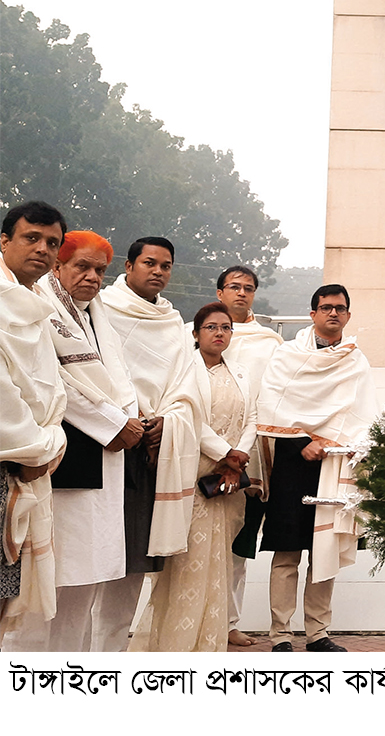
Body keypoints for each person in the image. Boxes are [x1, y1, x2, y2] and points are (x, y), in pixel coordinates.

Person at [5, 231, 144, 652]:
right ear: (58, 266)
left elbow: (117, 379)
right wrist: (113, 423)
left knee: (86, 581)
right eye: (81, 266)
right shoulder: (40, 309)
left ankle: (76, 673)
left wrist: (130, 419)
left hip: (106, 458)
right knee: (48, 582)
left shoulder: (95, 315)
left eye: (100, 270)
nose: (91, 277)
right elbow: (53, 381)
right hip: (61, 456)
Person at [131, 303, 260, 651]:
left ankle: (209, 645)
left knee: (221, 563)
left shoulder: (242, 374)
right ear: (196, 333)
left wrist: (238, 458)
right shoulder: (183, 371)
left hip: (228, 481)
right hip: (195, 475)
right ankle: (175, 646)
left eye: (226, 327)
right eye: (211, 327)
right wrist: (224, 453)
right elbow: (187, 419)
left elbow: (252, 419)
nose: (220, 333)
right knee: (190, 561)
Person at [257, 284, 378, 652]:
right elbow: (272, 405)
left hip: (335, 466)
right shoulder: (288, 356)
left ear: (348, 315)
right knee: (288, 553)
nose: (333, 314)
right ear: (312, 314)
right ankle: (280, 635)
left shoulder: (355, 360)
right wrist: (302, 443)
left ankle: (318, 634)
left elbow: (361, 415)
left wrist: (331, 443)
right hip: (293, 463)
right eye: (326, 307)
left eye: (340, 308)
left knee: (324, 549)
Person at [99, 237, 204, 650]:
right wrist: (122, 419)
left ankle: (111, 656)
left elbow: (186, 387)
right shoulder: (101, 311)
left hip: (152, 454)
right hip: (106, 445)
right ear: (128, 266)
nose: (158, 271)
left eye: (166, 265)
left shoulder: (174, 326)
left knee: (133, 566)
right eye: (149, 262)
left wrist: (168, 420)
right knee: (94, 562)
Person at [0, 202, 68, 635]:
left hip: (24, 469)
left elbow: (52, 392)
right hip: (15, 459)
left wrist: (49, 442)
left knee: (5, 597)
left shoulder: (37, 306)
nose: (43, 249)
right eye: (31, 238)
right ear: (3, 241)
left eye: (52, 243)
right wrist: (40, 447)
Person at [216, 264, 283, 647]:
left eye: (248, 288)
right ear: (221, 292)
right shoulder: (204, 333)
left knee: (239, 544)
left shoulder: (269, 343)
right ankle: (198, 618)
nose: (241, 293)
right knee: (203, 542)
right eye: (234, 287)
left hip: (252, 457)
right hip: (209, 451)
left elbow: (274, 398)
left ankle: (228, 623)